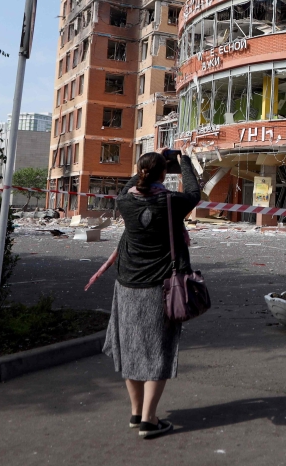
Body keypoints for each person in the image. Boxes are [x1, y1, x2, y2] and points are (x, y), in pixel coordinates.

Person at [94, 150, 200, 439]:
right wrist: (184, 161)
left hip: (127, 285)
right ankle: (149, 420)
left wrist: (152, 164)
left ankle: (136, 412)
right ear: (163, 175)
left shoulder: (125, 201)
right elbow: (194, 193)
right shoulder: (171, 202)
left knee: (130, 349)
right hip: (159, 288)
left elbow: (129, 187)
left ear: (140, 172)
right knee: (157, 351)